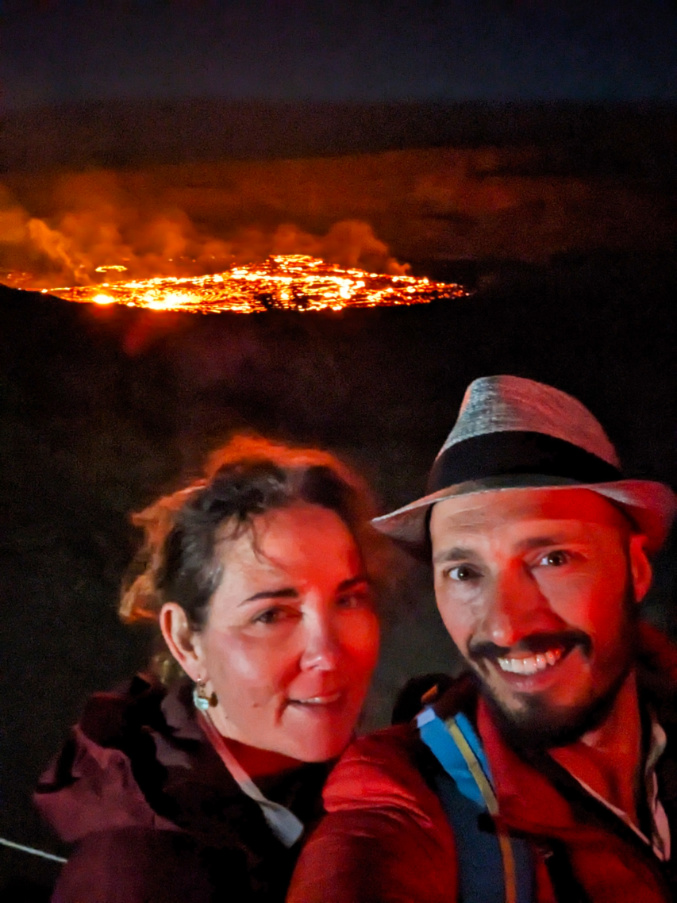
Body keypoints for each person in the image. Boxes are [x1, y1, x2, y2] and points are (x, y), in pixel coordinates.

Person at [287, 375, 677, 903]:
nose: (506, 627)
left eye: (552, 559)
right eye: (466, 572)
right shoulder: (405, 792)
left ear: (634, 568)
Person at [35, 435, 382, 902]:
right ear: (185, 642)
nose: (329, 652)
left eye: (348, 599)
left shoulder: (353, 783)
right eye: (271, 615)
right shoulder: (138, 875)